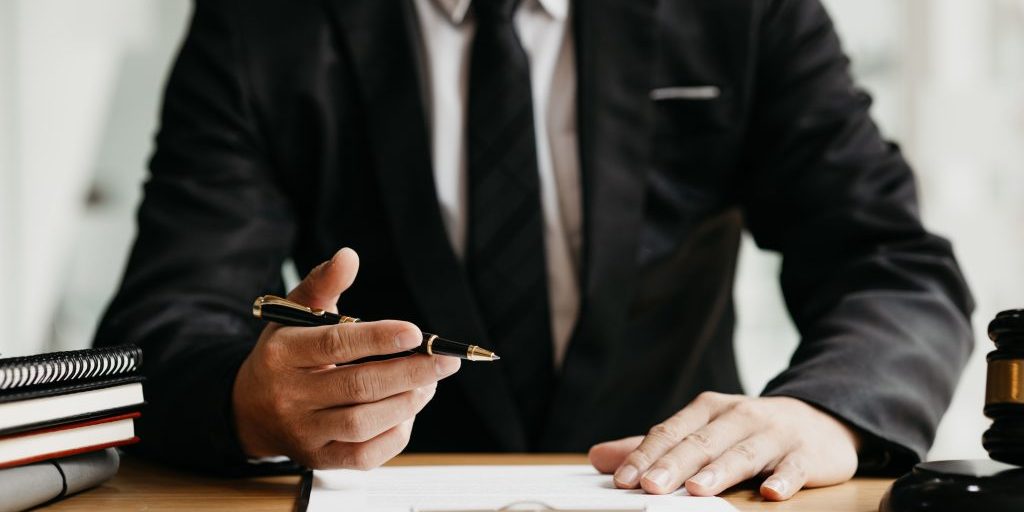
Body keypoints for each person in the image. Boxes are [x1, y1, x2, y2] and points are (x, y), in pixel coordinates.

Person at [94, 0, 974, 501]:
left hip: (677, 502)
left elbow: (890, 264)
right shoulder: (263, 25)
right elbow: (161, 321)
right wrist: (248, 400)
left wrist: (828, 415)